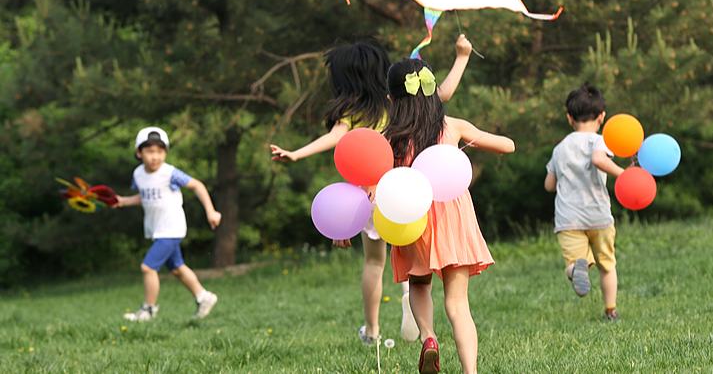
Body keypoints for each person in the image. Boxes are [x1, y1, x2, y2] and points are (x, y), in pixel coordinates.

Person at [270, 35, 473, 345]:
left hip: (370, 196)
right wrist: (461, 57)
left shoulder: (354, 112)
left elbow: (335, 138)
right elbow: (441, 94)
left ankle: (373, 330)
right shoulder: (398, 105)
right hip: (408, 192)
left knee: (375, 263)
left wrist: (297, 153)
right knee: (413, 256)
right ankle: (409, 296)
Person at [385, 59, 515, 374]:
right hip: (454, 217)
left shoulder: (392, 137)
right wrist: (465, 144)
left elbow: (377, 182)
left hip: (413, 218)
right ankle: (470, 371)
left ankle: (428, 337)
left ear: (392, 100)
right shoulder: (452, 126)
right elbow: (507, 146)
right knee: (458, 305)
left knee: (419, 284)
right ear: (432, 93)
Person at [115, 127, 222, 321]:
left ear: (166, 152)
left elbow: (197, 185)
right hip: (156, 228)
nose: (155, 156)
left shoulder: (170, 173)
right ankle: (204, 297)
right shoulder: (138, 174)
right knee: (177, 268)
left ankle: (148, 310)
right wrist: (123, 201)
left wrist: (211, 211)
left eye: (160, 151)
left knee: (148, 267)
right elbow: (144, 196)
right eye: (149, 151)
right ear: (139, 153)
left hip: (172, 227)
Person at [544, 83, 624, 321]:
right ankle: (611, 310)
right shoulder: (599, 142)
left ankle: (576, 269)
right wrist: (623, 174)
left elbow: (549, 185)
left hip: (569, 218)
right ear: (602, 116)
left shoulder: (560, 148)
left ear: (569, 118)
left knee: (573, 262)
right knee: (607, 265)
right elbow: (599, 160)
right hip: (598, 215)